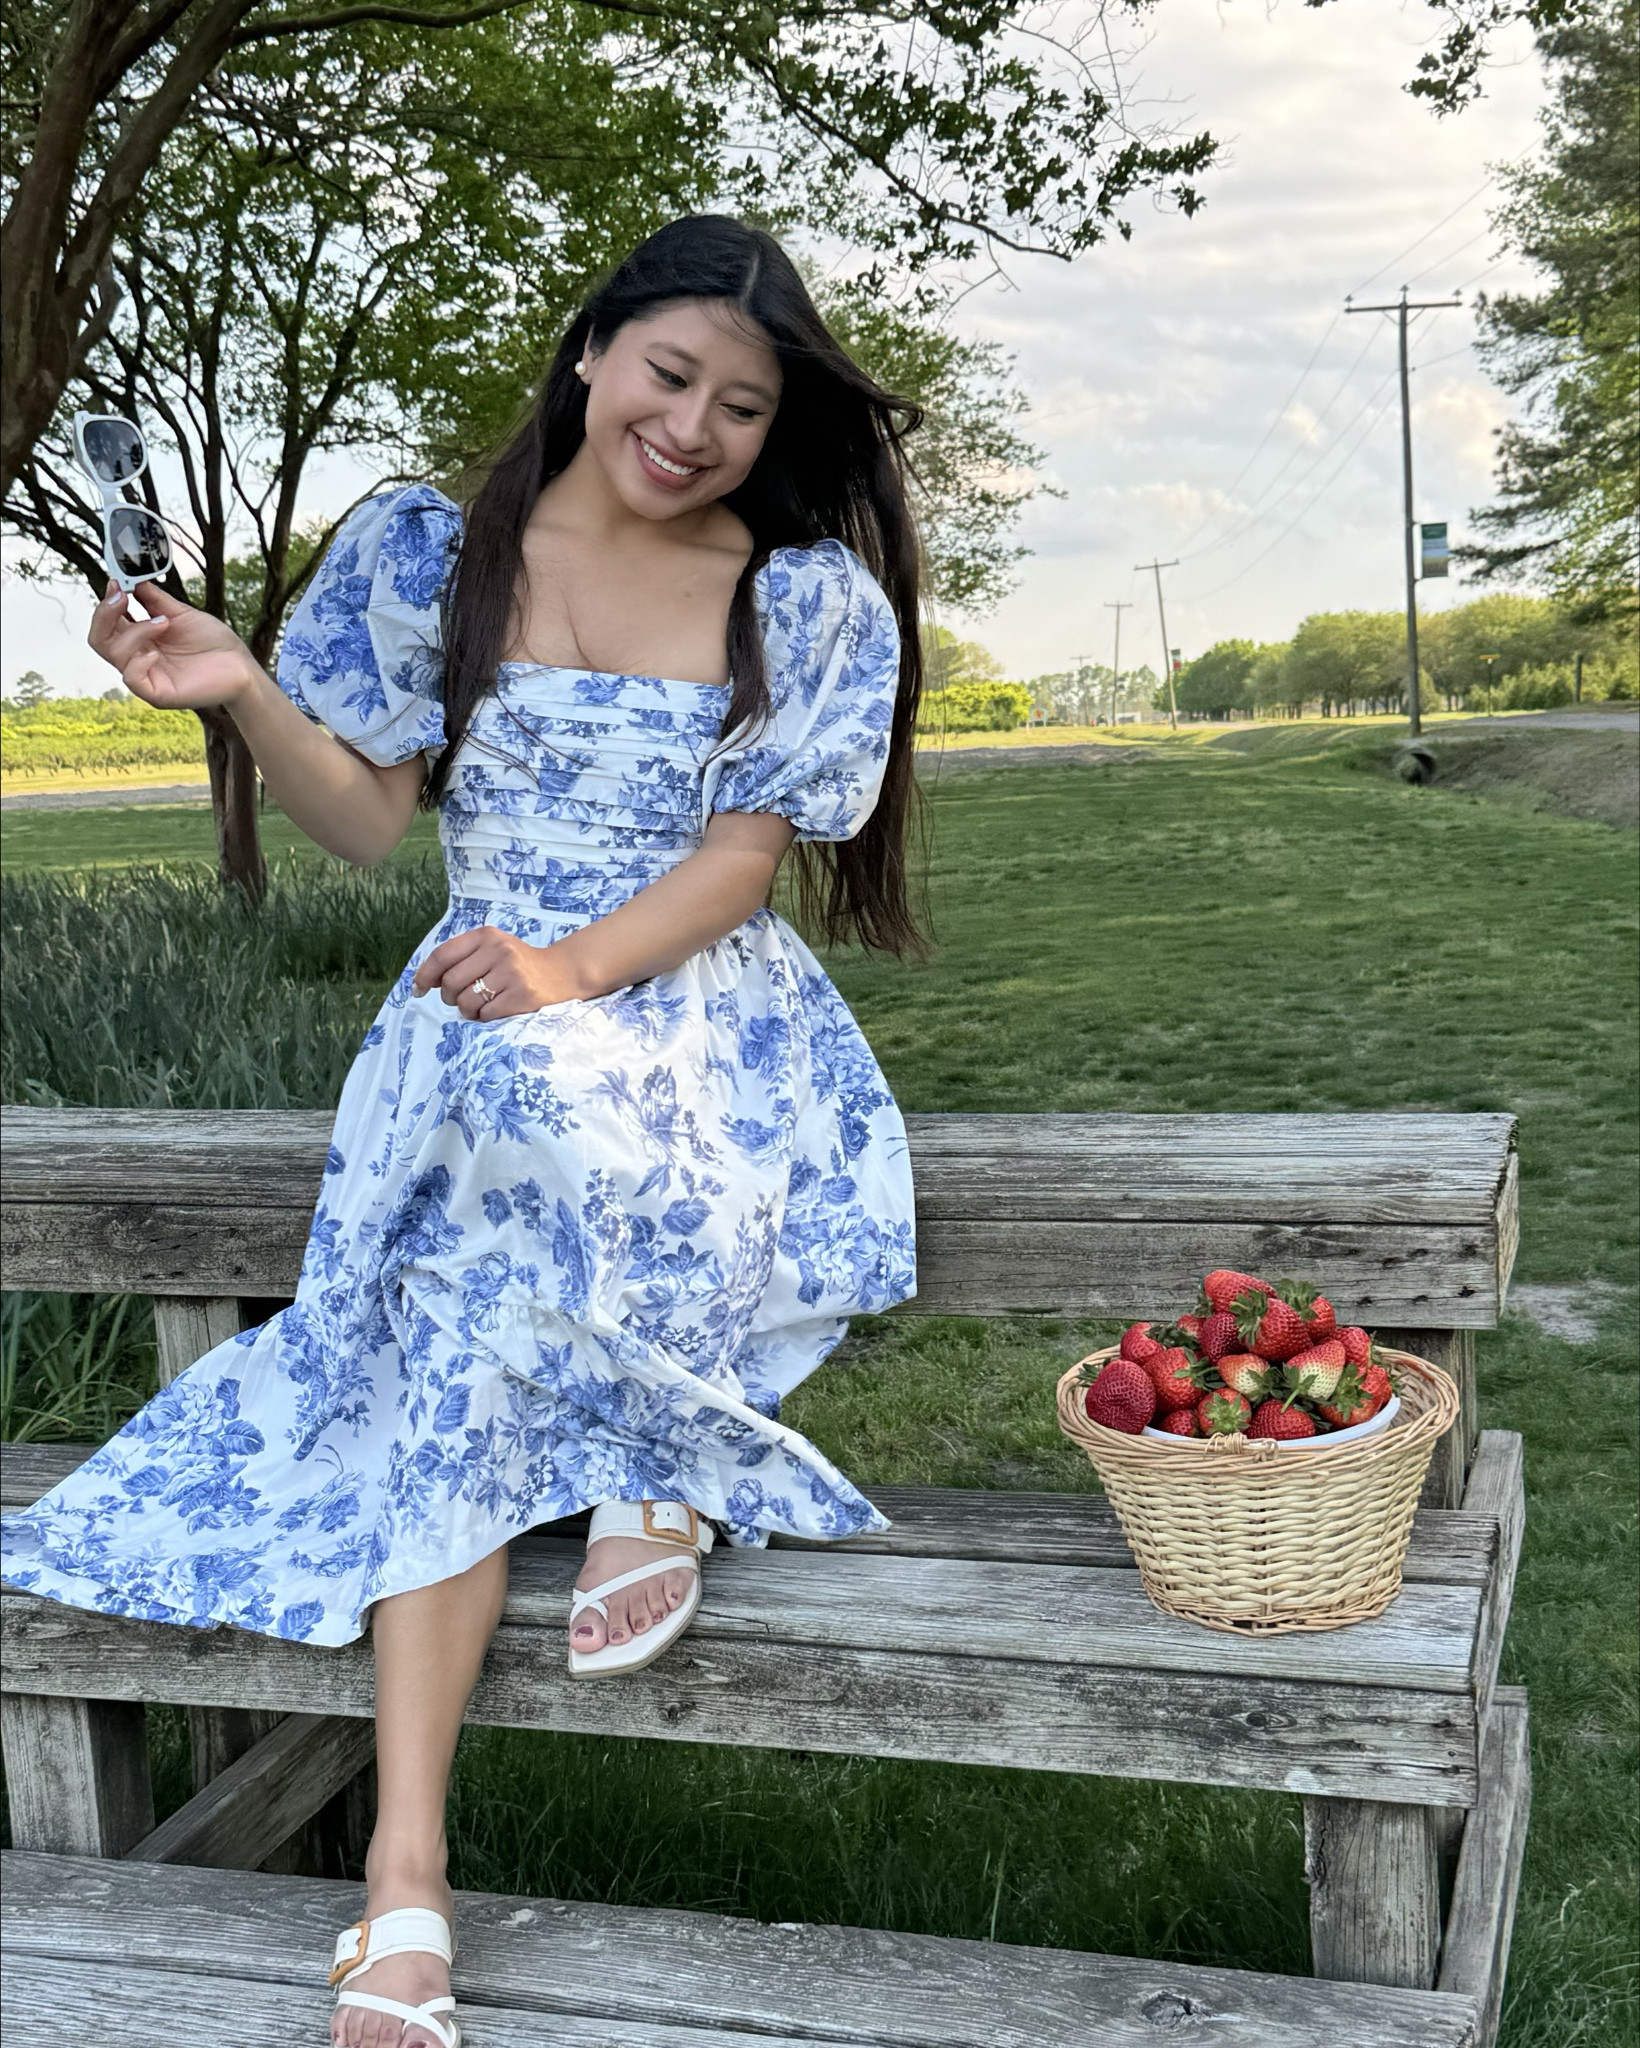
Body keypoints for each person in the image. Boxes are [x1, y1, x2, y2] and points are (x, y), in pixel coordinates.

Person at [1, 214, 924, 2048]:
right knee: (467, 1298)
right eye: (671, 375)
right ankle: (408, 1868)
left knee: (506, 1162)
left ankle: (650, 1461)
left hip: (680, 1010)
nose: (697, 426)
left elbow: (744, 865)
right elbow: (362, 827)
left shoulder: (793, 594)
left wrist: (572, 971)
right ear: (591, 354)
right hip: (489, 1020)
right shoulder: (437, 552)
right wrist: (241, 686)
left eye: (743, 406)